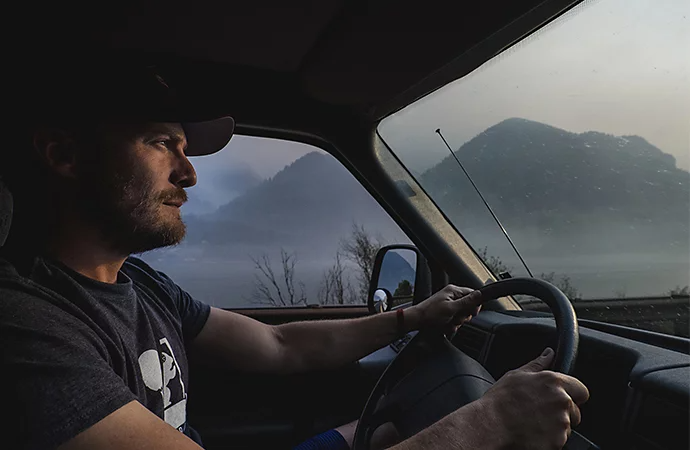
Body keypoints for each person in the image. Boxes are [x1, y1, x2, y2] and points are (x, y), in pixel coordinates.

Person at [0, 62, 588, 450]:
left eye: (183, 148)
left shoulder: (142, 284)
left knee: (392, 424)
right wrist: (488, 422)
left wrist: (412, 317)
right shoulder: (24, 327)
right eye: (160, 143)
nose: (189, 173)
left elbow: (279, 345)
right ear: (64, 155)